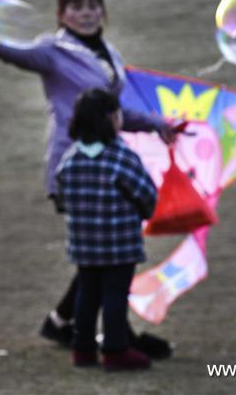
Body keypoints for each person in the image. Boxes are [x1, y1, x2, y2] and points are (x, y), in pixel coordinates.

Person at [0, 0, 173, 359]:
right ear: (62, 15)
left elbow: (116, 112)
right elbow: (19, 55)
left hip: (107, 160)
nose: (87, 13)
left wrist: (158, 124)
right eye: (77, 7)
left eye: (93, 5)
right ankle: (114, 337)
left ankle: (69, 324)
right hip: (76, 163)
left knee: (101, 250)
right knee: (106, 251)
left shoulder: (110, 53)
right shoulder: (52, 50)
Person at [57, 88, 156, 370]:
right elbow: (146, 194)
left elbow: (63, 198)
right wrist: (143, 214)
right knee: (114, 296)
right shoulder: (122, 157)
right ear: (111, 119)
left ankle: (83, 349)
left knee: (86, 296)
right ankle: (115, 350)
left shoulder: (71, 160)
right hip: (119, 246)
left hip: (85, 246)